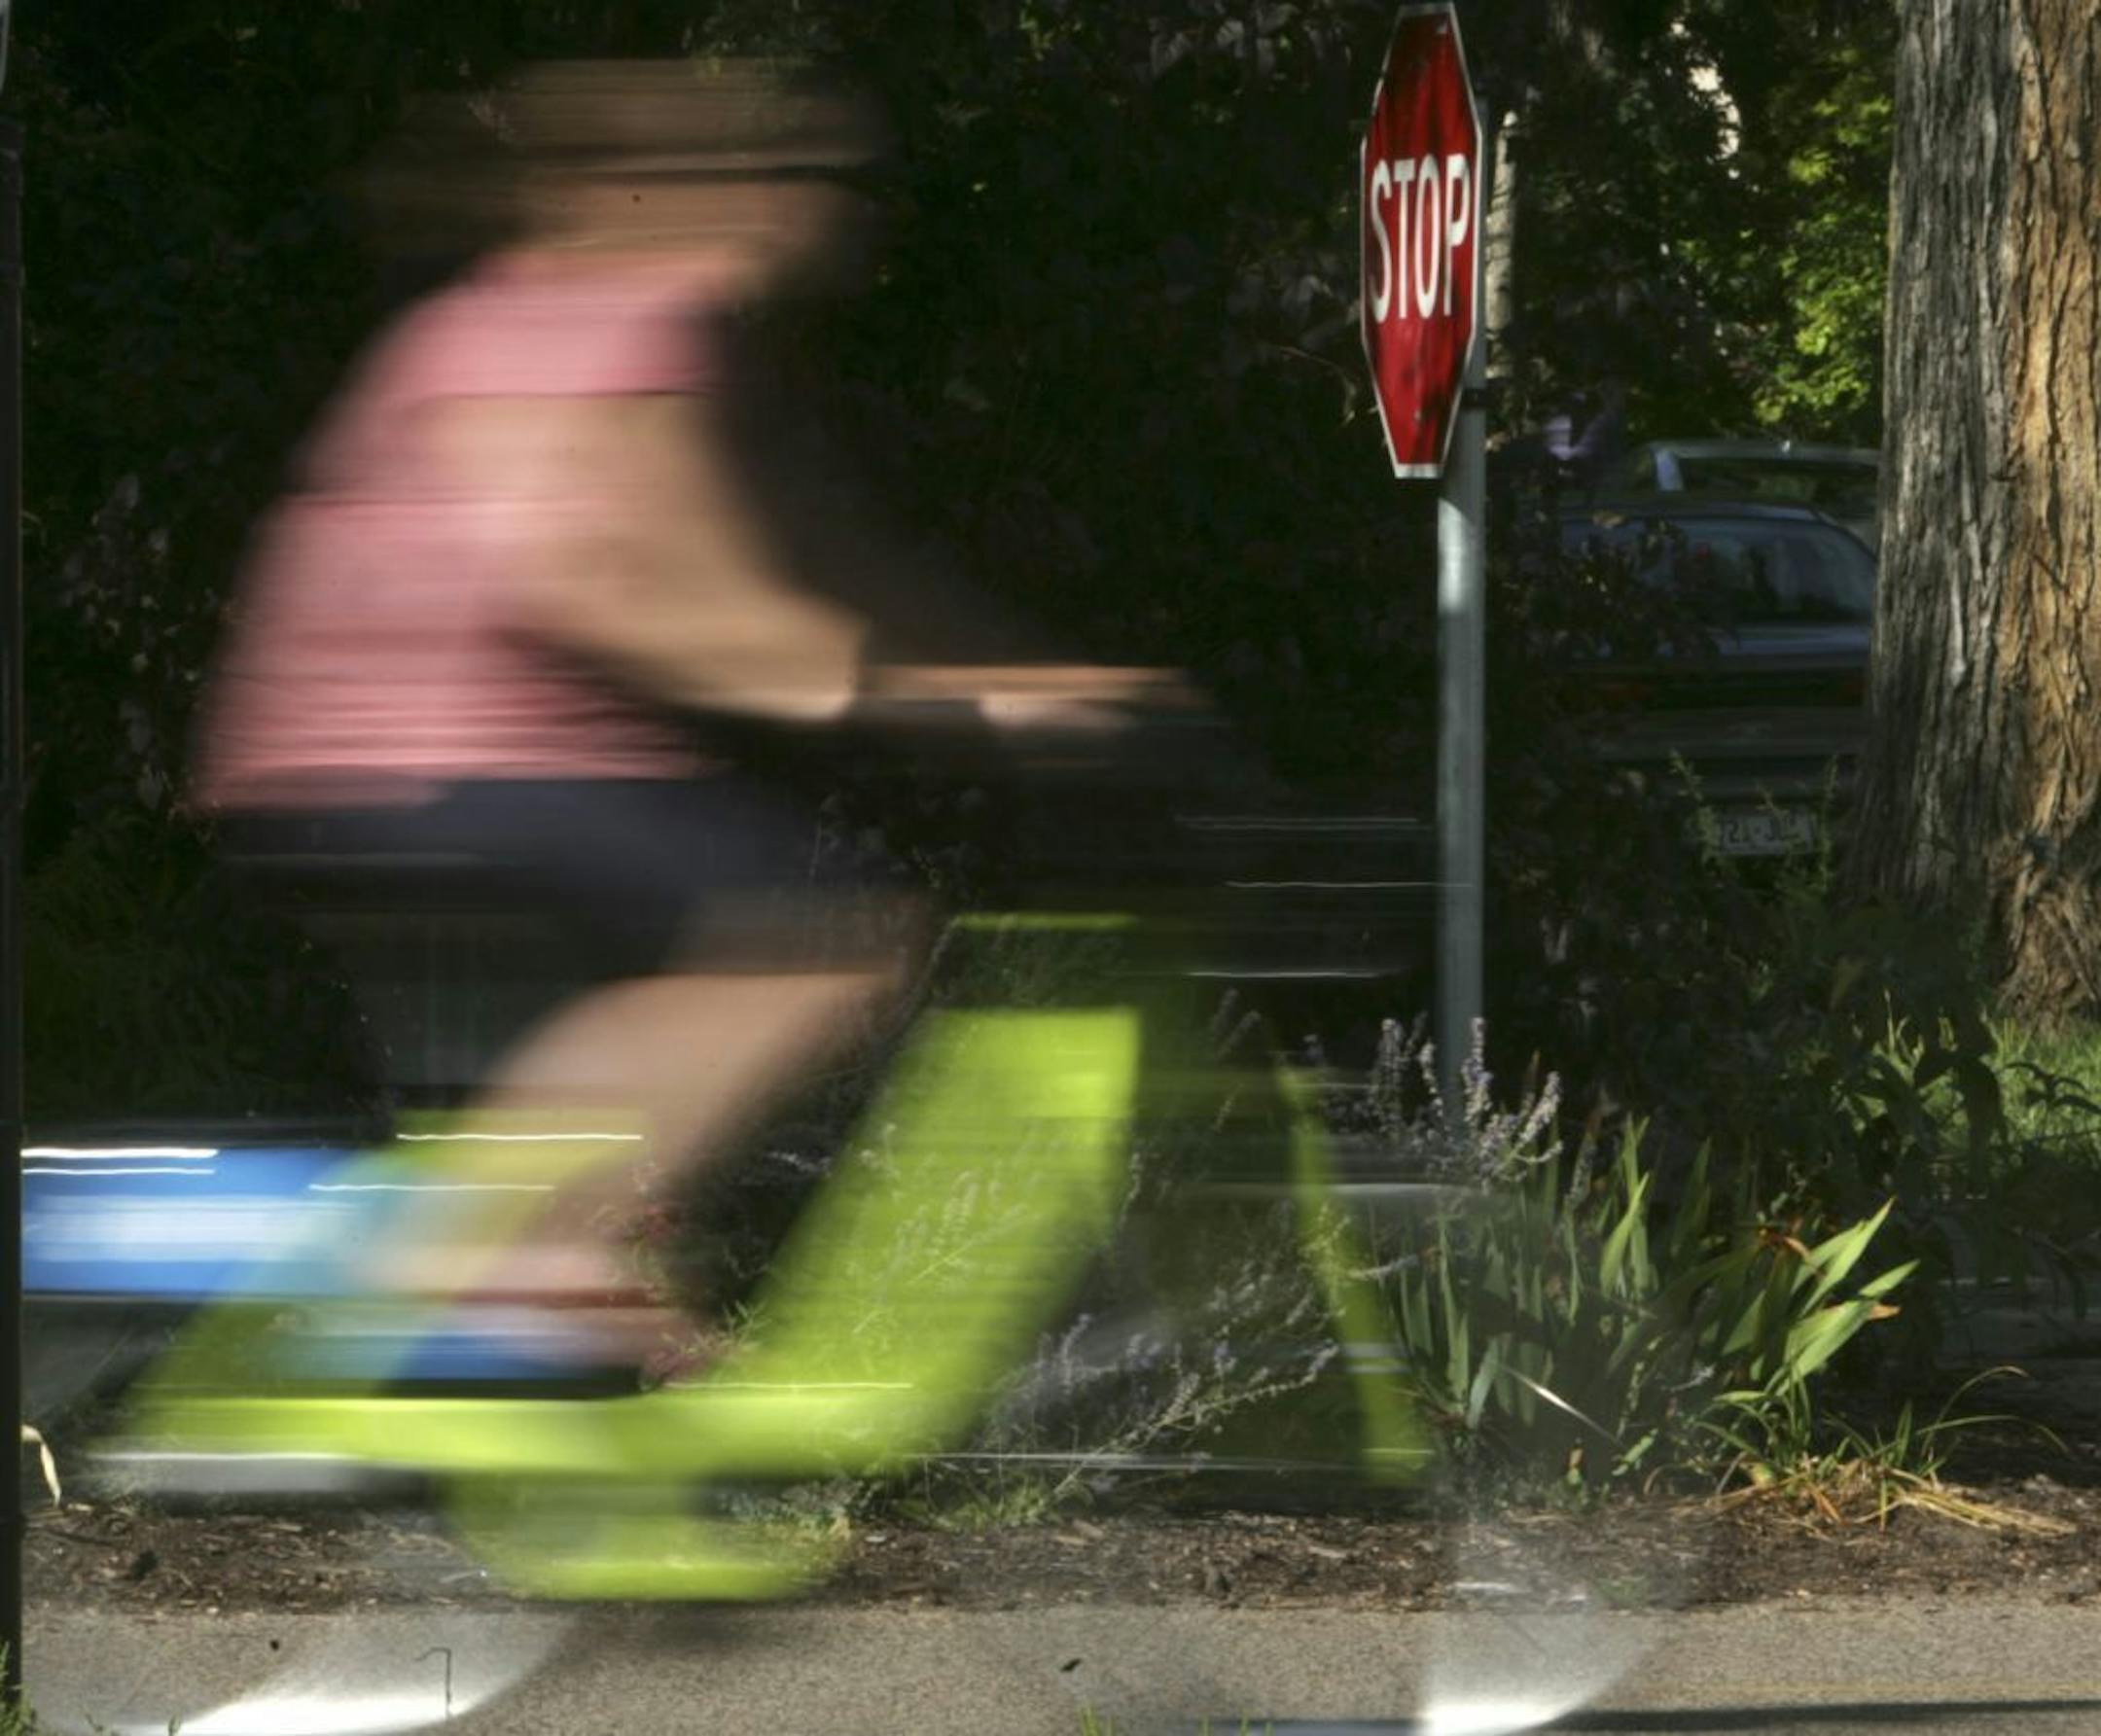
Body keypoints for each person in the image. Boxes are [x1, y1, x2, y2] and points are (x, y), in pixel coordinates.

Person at [191, 59, 1213, 1376]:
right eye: (793, 187)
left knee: (712, 967)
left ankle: (570, 1331)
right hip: (416, 756)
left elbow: (762, 582)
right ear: (691, 198)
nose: (819, 222)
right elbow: (614, 585)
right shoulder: (603, 325)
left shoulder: (538, 318)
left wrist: (967, 676)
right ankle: (521, 1251)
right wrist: (943, 694)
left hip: (381, 756)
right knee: (825, 935)